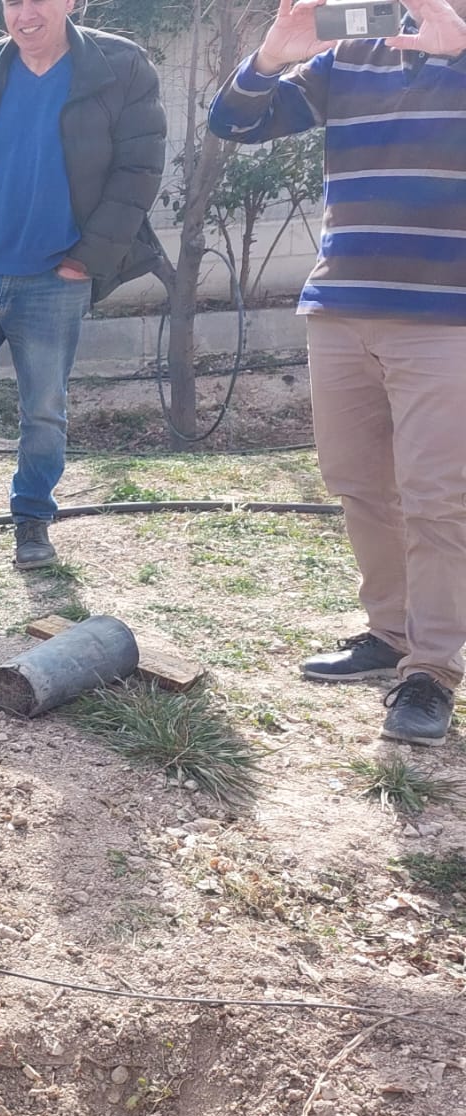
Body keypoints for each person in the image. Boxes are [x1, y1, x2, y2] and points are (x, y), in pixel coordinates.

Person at [207, 0, 466, 745]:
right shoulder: (348, 54)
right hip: (341, 306)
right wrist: (270, 57)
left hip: (446, 317)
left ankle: (432, 669)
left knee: (435, 498)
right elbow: (235, 125)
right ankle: (387, 631)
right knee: (357, 482)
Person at [0, 0, 166, 570]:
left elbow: (139, 170)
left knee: (43, 410)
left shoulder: (120, 68)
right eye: (13, 1)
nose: (25, 13)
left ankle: (33, 525)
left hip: (53, 279)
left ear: (70, 2)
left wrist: (86, 260)